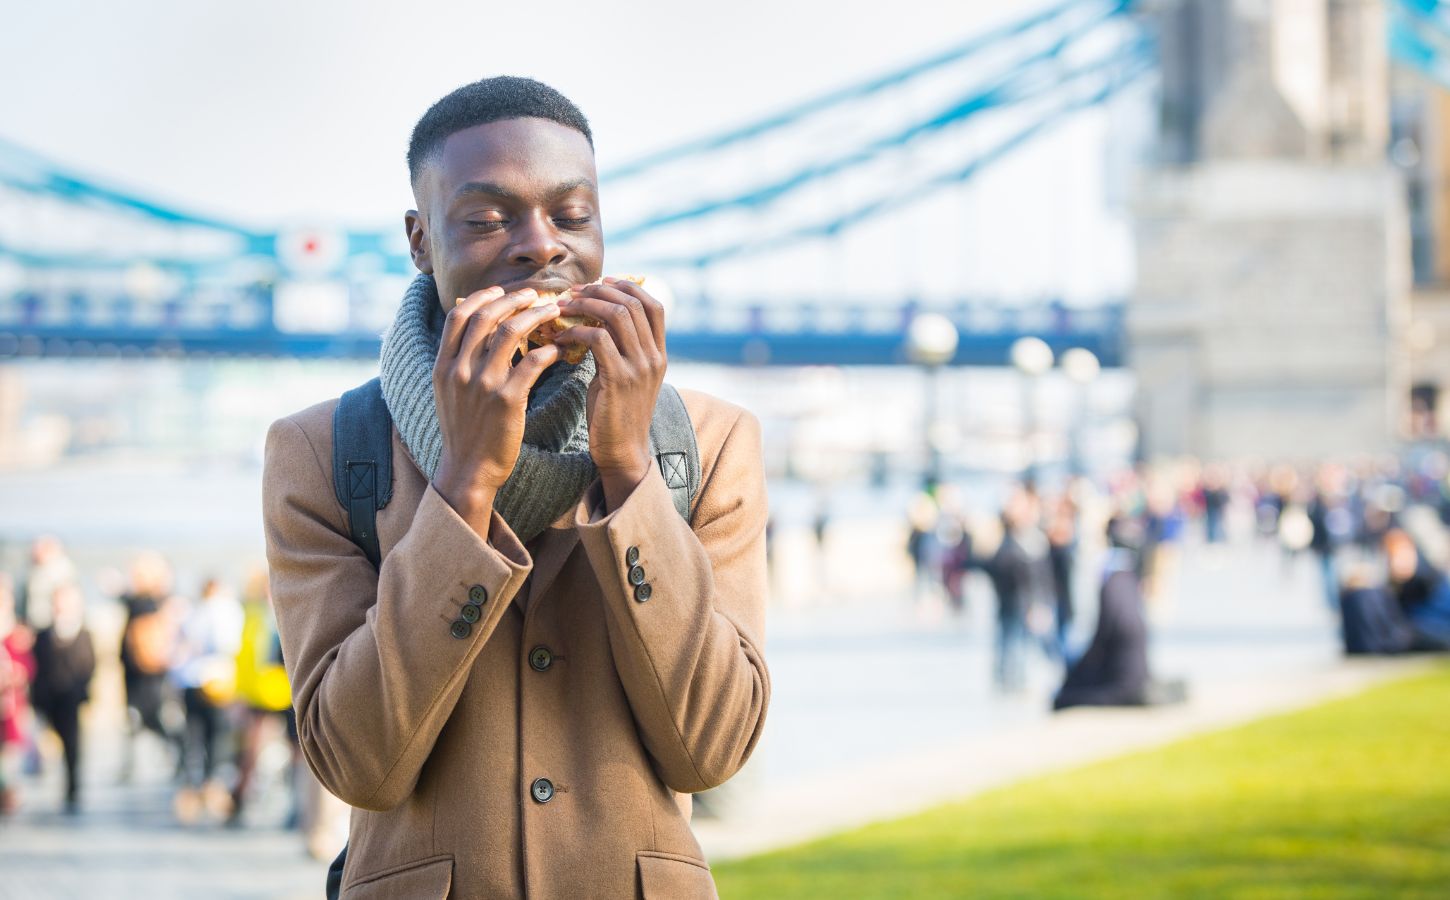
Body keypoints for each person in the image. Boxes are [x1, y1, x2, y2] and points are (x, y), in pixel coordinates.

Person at [262, 77, 769, 899]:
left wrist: (631, 470)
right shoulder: (324, 451)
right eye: (489, 219)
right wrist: (462, 490)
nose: (541, 245)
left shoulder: (707, 444)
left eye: (573, 215)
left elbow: (710, 749)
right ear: (421, 240)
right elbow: (357, 764)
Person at [169, 577, 244, 823]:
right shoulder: (224, 611)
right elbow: (227, 645)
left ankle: (194, 789)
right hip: (214, 683)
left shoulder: (192, 613)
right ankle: (209, 790)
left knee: (194, 739)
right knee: (215, 742)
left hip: (193, 682)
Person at [29, 581, 95, 813]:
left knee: (72, 746)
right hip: (49, 699)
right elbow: (36, 669)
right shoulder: (43, 635)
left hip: (72, 699)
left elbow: (88, 666)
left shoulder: (83, 633)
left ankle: (72, 789)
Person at [117, 552, 180, 782]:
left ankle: (175, 755)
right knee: (134, 718)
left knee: (151, 717)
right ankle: (131, 765)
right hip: (136, 670)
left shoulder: (151, 601)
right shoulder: (145, 601)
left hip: (151, 672)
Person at [0, 575, 36, 814]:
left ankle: (8, 792)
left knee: (10, 752)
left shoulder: (15, 632)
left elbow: (27, 665)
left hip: (10, 703)